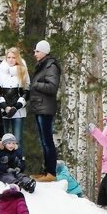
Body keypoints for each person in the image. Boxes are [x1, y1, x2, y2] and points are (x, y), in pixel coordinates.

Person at [29, 40, 62, 182]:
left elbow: (52, 87)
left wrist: (35, 84)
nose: (35, 54)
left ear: (44, 52)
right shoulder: (43, 65)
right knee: (43, 141)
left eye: (37, 51)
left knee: (47, 141)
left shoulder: (51, 66)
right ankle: (46, 171)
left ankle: (51, 172)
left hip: (46, 108)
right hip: (40, 106)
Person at [0, 47, 29, 149]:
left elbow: (26, 92)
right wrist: (5, 107)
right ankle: (3, 162)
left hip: (18, 110)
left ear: (17, 59)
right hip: (3, 109)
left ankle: (18, 161)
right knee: (3, 138)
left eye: (13, 57)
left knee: (17, 139)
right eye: (8, 57)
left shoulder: (23, 71)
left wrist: (16, 107)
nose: (11, 60)